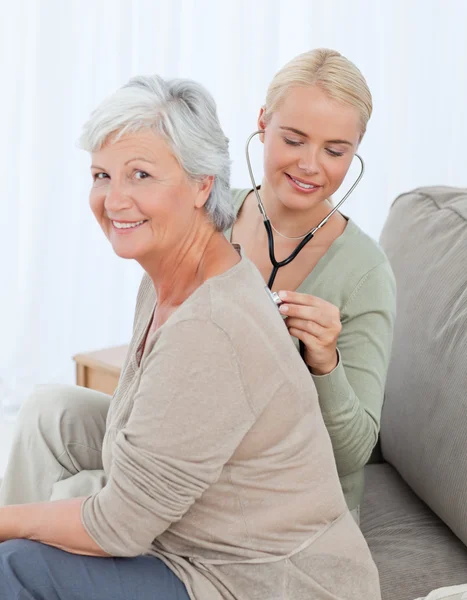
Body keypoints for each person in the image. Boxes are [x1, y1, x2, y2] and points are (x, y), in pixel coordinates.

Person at [0, 75, 381, 599]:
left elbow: (118, 527)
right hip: (205, 532)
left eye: (141, 175)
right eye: (101, 175)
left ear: (203, 185)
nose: (115, 198)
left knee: (20, 565)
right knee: (50, 421)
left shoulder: (213, 324)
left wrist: (8, 523)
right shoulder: (170, 272)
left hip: (264, 580)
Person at [226, 48, 396, 518]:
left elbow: (352, 455)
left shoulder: (366, 273)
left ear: (356, 150)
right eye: (294, 140)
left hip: (292, 501)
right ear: (263, 122)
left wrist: (325, 364)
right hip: (198, 457)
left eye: (335, 151)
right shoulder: (208, 218)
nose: (310, 165)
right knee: (52, 412)